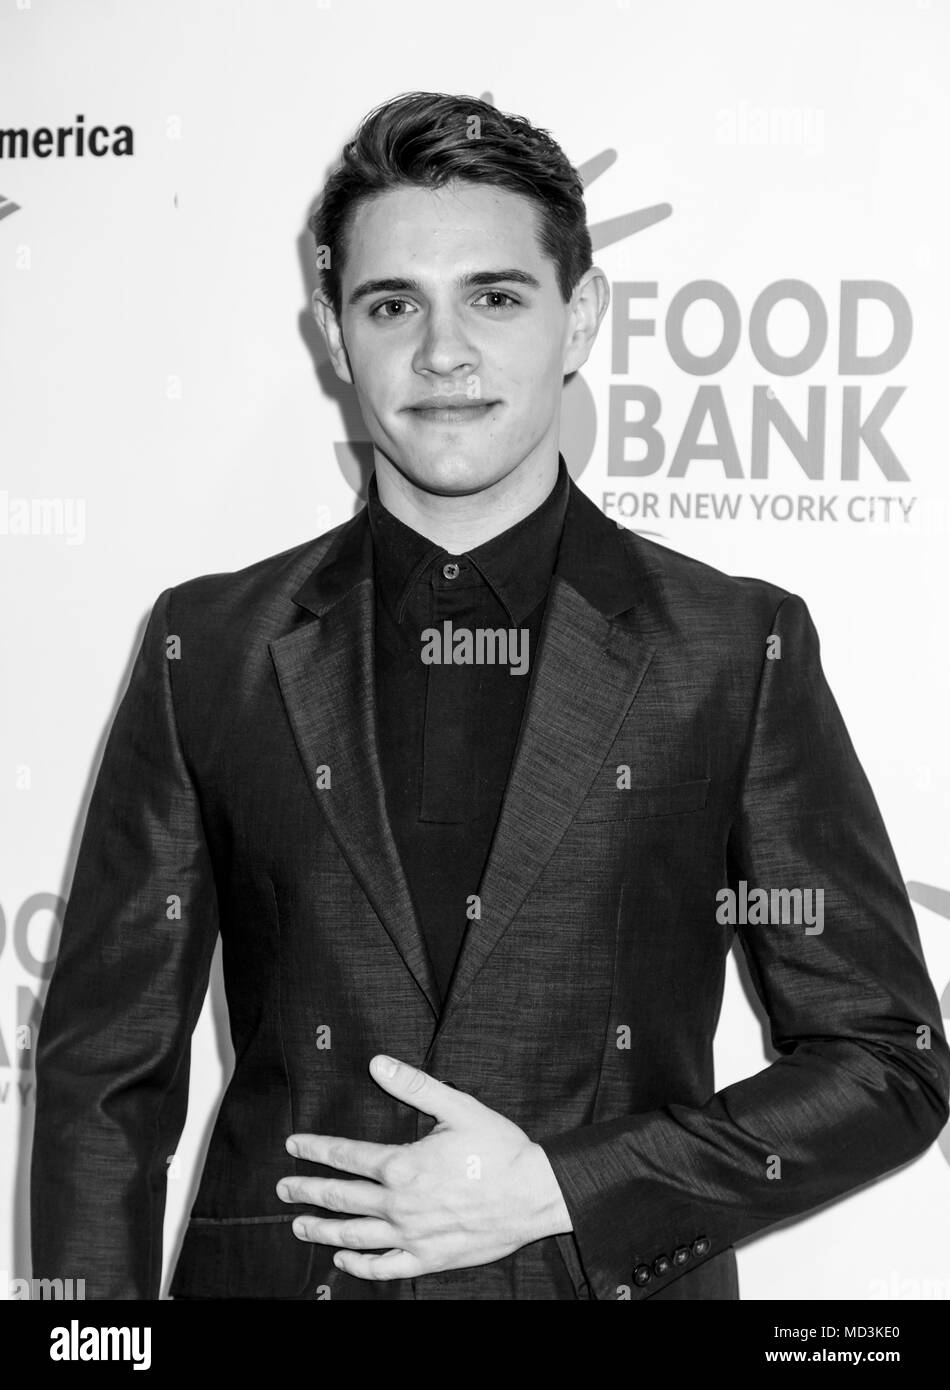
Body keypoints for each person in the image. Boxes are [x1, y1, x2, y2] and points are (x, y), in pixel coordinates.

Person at [31, 90, 950, 1301]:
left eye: (495, 297)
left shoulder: (731, 648)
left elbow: (885, 1064)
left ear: (580, 318)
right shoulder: (211, 645)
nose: (441, 352)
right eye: (392, 304)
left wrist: (563, 1189)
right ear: (332, 334)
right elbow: (102, 1076)